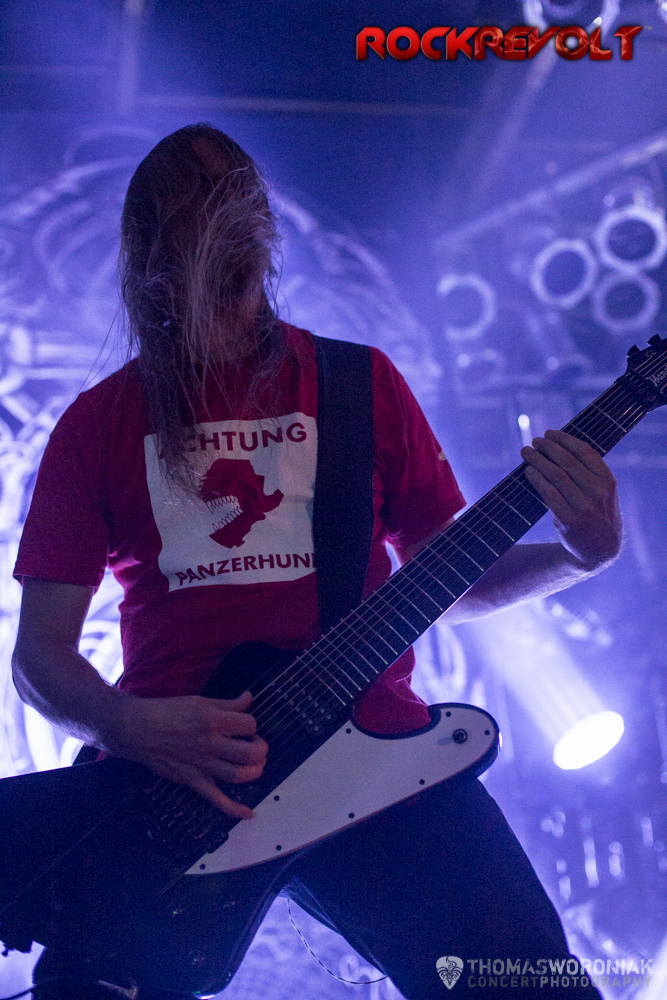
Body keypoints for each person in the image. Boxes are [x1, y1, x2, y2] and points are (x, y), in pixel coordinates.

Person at [11, 124, 621, 1000]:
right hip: (179, 785)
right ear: (148, 244)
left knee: (528, 987)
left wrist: (577, 555)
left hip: (378, 759)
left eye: (232, 189)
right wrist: (127, 727)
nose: (217, 208)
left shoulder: (357, 383)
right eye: (189, 195)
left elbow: (450, 578)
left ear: (264, 225)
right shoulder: (98, 422)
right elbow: (40, 656)